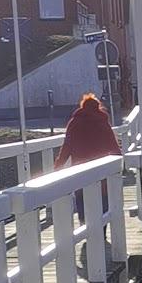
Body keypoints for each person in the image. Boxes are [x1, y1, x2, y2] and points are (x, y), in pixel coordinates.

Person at [55, 93, 121, 221]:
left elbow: (67, 147)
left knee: (81, 197)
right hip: (101, 169)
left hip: (80, 168)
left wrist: (59, 165)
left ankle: (84, 225)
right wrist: (120, 163)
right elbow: (113, 145)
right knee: (103, 199)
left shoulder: (75, 122)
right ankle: (101, 231)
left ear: (82, 106)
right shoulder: (102, 122)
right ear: (98, 106)